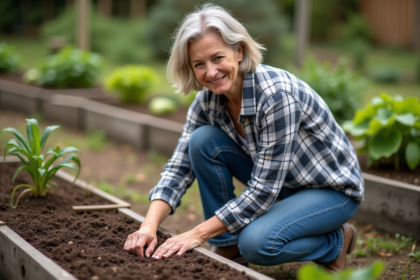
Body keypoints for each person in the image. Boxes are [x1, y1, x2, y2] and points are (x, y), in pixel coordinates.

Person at [124, 4, 364, 272]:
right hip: (284, 184)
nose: (211, 72)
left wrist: (197, 234)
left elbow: (263, 191)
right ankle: (227, 244)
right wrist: (148, 226)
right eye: (199, 64)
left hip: (330, 190)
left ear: (238, 51)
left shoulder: (276, 97)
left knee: (257, 244)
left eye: (217, 58)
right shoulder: (207, 102)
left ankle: (336, 242)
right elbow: (180, 167)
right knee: (202, 140)